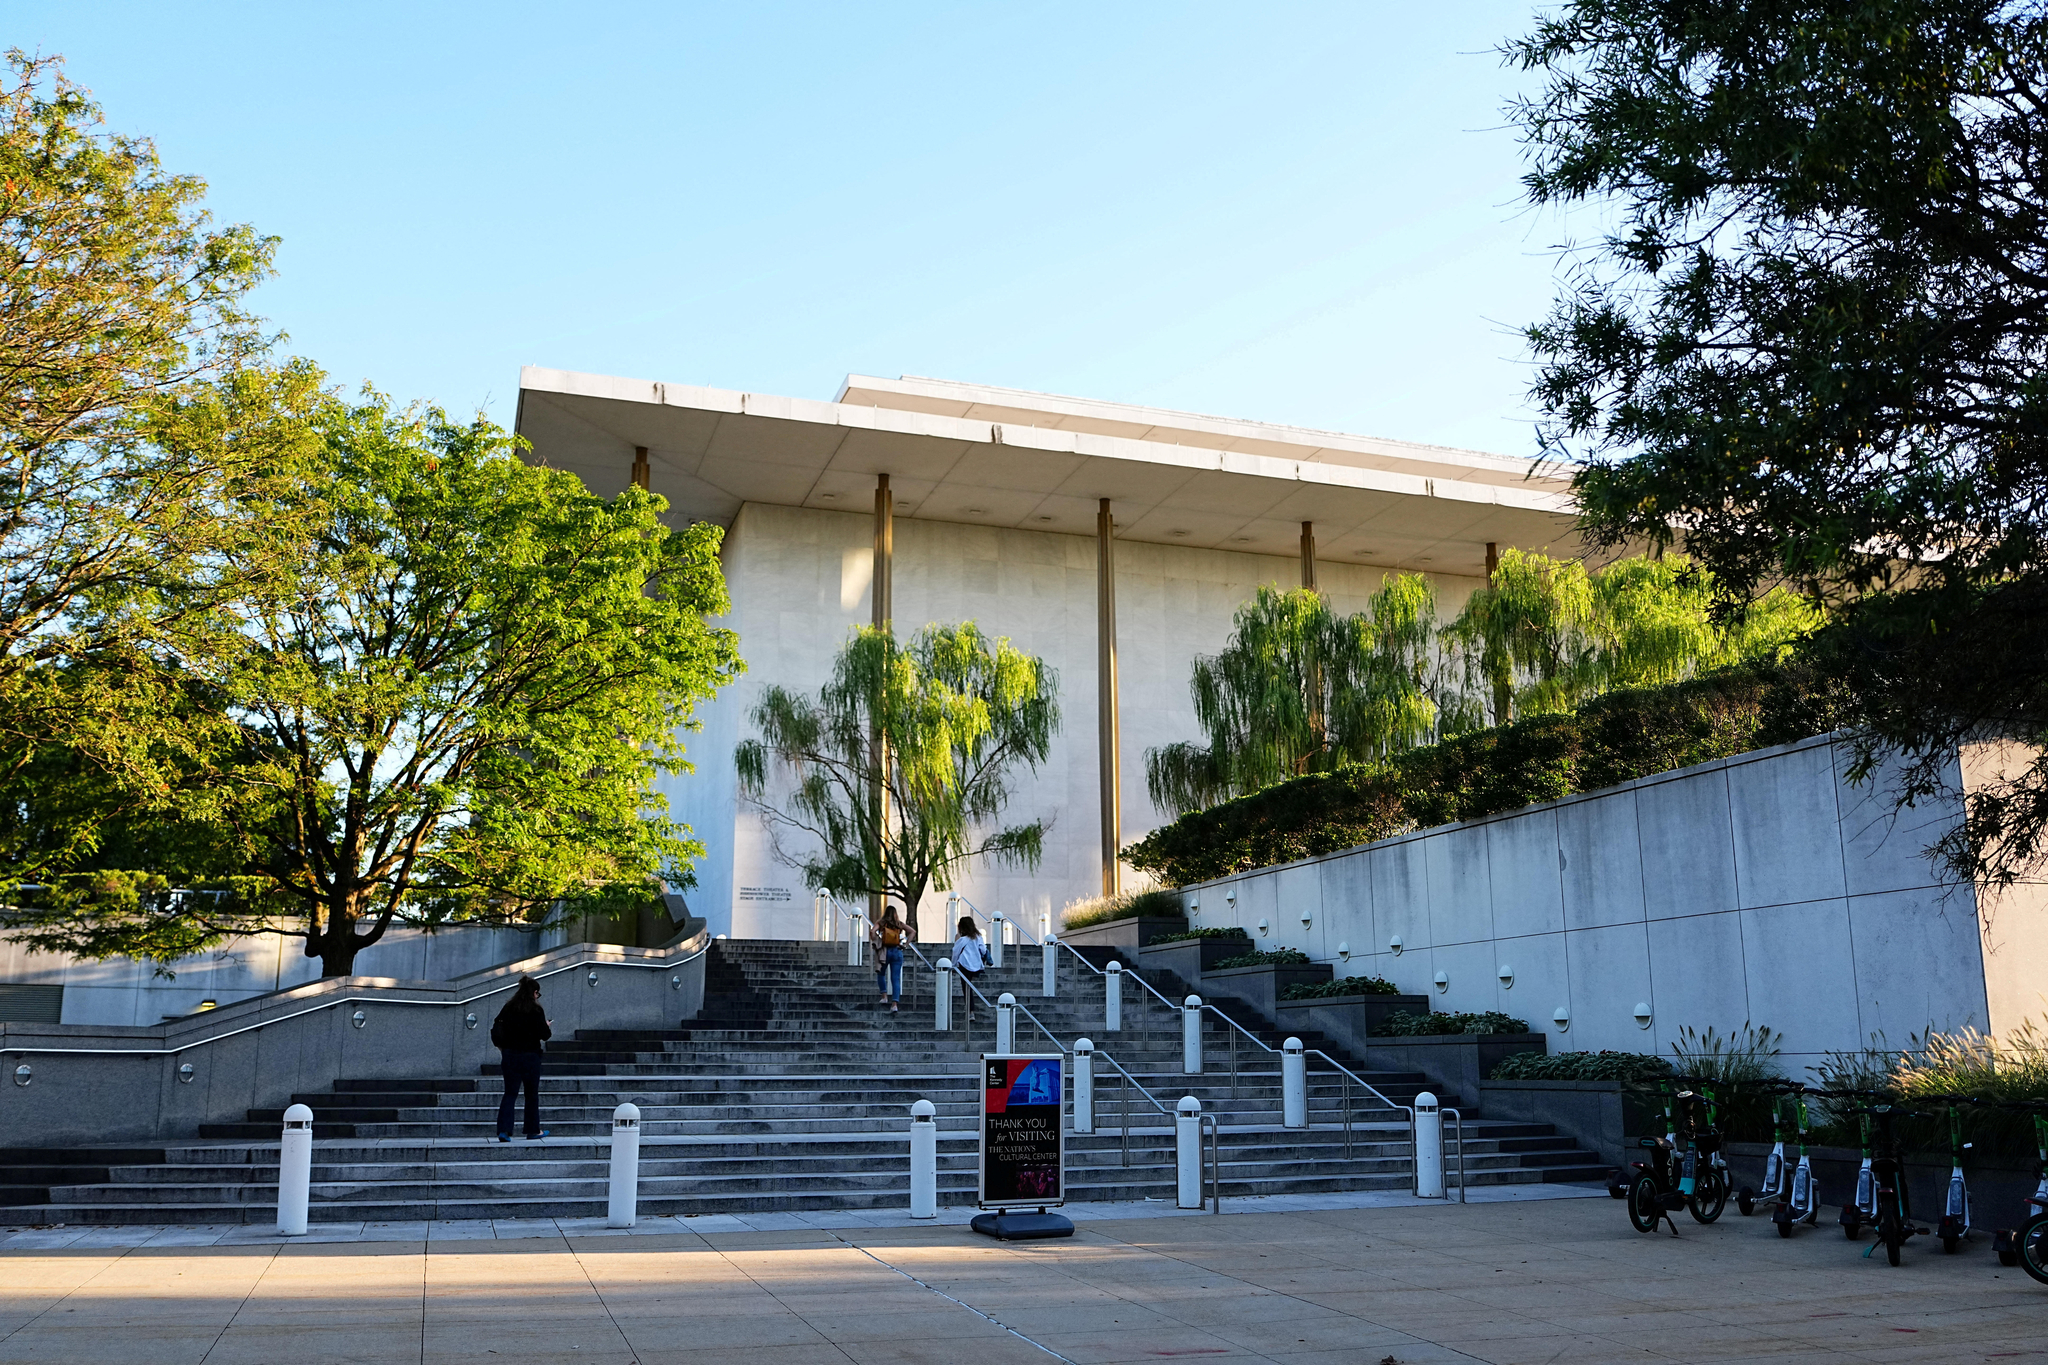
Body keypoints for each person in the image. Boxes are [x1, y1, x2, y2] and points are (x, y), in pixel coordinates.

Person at [491, 975, 552, 1141]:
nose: (538, 997)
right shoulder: (536, 1010)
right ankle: (533, 1130)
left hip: (510, 1055)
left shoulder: (509, 1007)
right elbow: (545, 1035)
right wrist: (545, 1025)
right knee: (531, 1094)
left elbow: (496, 1027)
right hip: (531, 1056)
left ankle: (504, 1130)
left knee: (510, 1093)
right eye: (538, 994)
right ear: (534, 992)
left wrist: (502, 1047)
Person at [950, 915, 988, 1023]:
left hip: (964, 964)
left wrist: (953, 966)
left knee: (966, 987)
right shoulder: (978, 937)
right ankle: (970, 1009)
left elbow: (955, 952)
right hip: (976, 964)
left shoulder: (961, 939)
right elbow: (983, 950)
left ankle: (971, 1011)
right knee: (969, 986)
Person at [871, 904, 907, 1013]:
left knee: (881, 974)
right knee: (895, 978)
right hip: (897, 951)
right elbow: (912, 932)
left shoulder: (881, 923)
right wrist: (905, 944)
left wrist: (876, 941)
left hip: (885, 951)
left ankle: (884, 996)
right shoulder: (899, 924)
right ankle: (894, 1004)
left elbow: (872, 931)